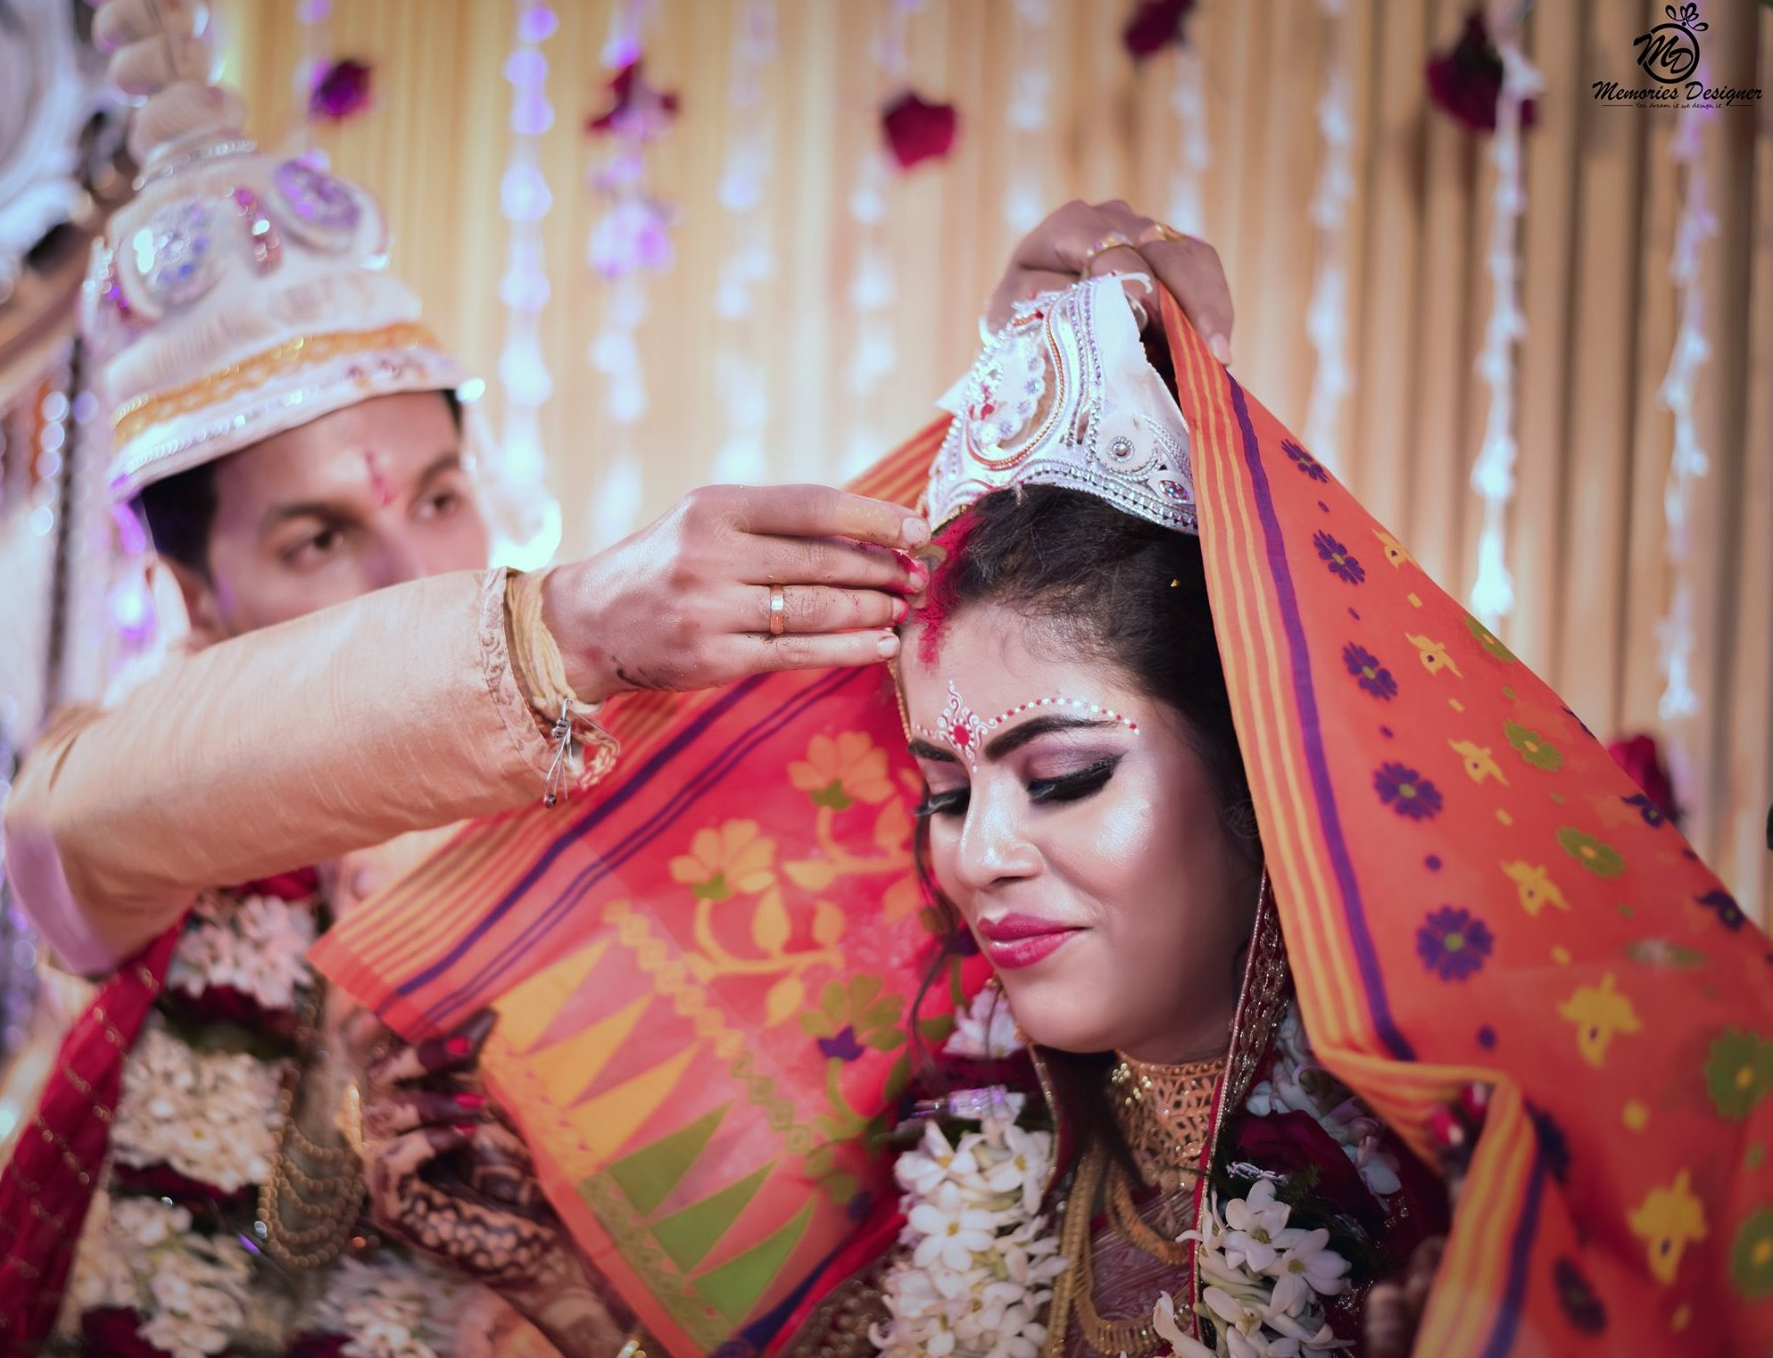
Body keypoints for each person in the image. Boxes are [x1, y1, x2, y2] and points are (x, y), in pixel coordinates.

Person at [0, 0, 1240, 1354]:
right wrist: (554, 629)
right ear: (191, 591)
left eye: (442, 495)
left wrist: (1035, 382)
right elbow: (66, 812)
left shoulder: (624, 785)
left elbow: (936, 684)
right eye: (318, 534)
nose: (414, 571)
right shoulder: (156, 818)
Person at [356, 272, 1773, 1357]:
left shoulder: (1464, 1214)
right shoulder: (958, 1153)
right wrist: (565, 1295)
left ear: (1257, 766)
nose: (981, 857)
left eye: (1068, 775)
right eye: (948, 789)